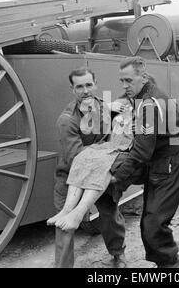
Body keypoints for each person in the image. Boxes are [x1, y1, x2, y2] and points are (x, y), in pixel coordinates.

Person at [110, 56, 179, 268]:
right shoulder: (144, 94)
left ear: (143, 77)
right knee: (149, 222)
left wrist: (117, 177)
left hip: (170, 165)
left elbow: (141, 152)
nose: (124, 86)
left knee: (154, 224)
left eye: (128, 80)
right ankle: (166, 264)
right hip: (161, 163)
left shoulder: (149, 104)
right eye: (122, 81)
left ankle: (171, 267)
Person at [51, 67, 127, 268]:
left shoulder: (105, 108)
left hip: (100, 173)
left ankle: (118, 254)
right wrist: (105, 147)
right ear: (72, 89)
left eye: (88, 85)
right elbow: (77, 158)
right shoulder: (67, 120)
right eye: (79, 86)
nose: (85, 91)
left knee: (111, 215)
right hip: (70, 176)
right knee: (64, 224)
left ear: (95, 84)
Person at [48, 98, 134, 232]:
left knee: (109, 213)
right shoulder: (68, 119)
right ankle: (67, 211)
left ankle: (77, 213)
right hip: (72, 170)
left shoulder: (106, 108)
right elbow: (73, 155)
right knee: (83, 159)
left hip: (107, 156)